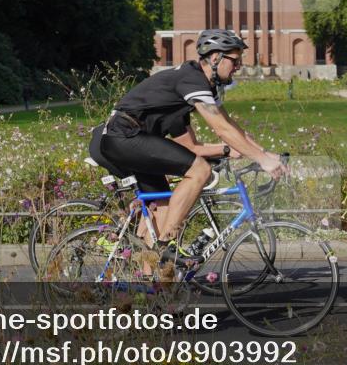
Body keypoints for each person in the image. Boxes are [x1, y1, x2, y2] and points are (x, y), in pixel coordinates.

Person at [89, 29, 288, 268]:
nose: (239, 66)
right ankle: (166, 246)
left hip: (133, 138)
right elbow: (221, 129)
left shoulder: (204, 85)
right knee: (200, 170)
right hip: (124, 135)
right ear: (215, 58)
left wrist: (265, 154)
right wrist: (260, 160)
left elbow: (230, 126)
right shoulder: (192, 78)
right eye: (235, 60)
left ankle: (151, 282)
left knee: (162, 207)